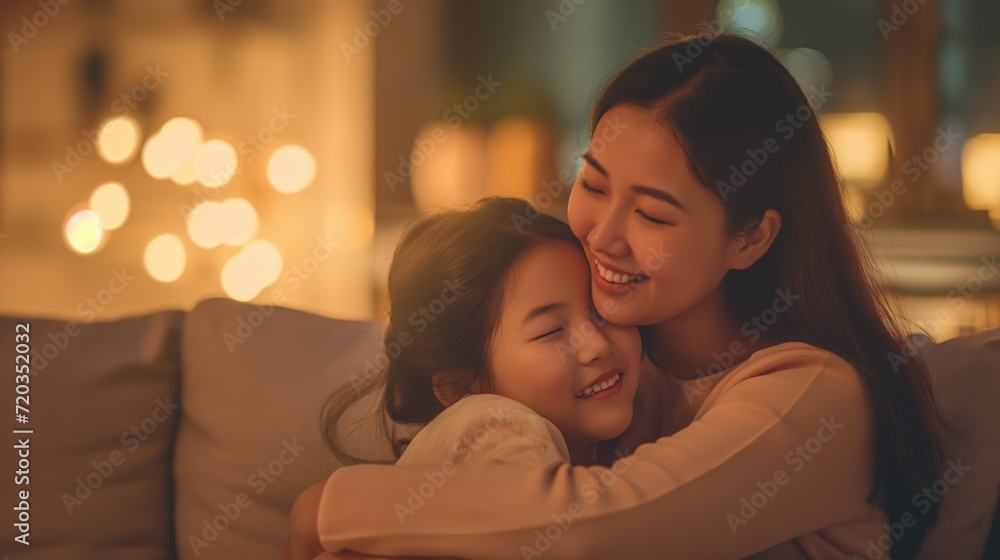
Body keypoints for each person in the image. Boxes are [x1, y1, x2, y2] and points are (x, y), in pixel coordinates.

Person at [315, 33, 946, 559]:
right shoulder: (614, 378)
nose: (603, 235)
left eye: (653, 215)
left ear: (750, 237)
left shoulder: (814, 395)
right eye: (592, 183)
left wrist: (331, 503)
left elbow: (597, 527)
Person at [283, 197, 643, 560]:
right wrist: (319, 510)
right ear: (462, 387)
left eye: (601, 308)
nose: (596, 343)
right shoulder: (497, 424)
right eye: (551, 331)